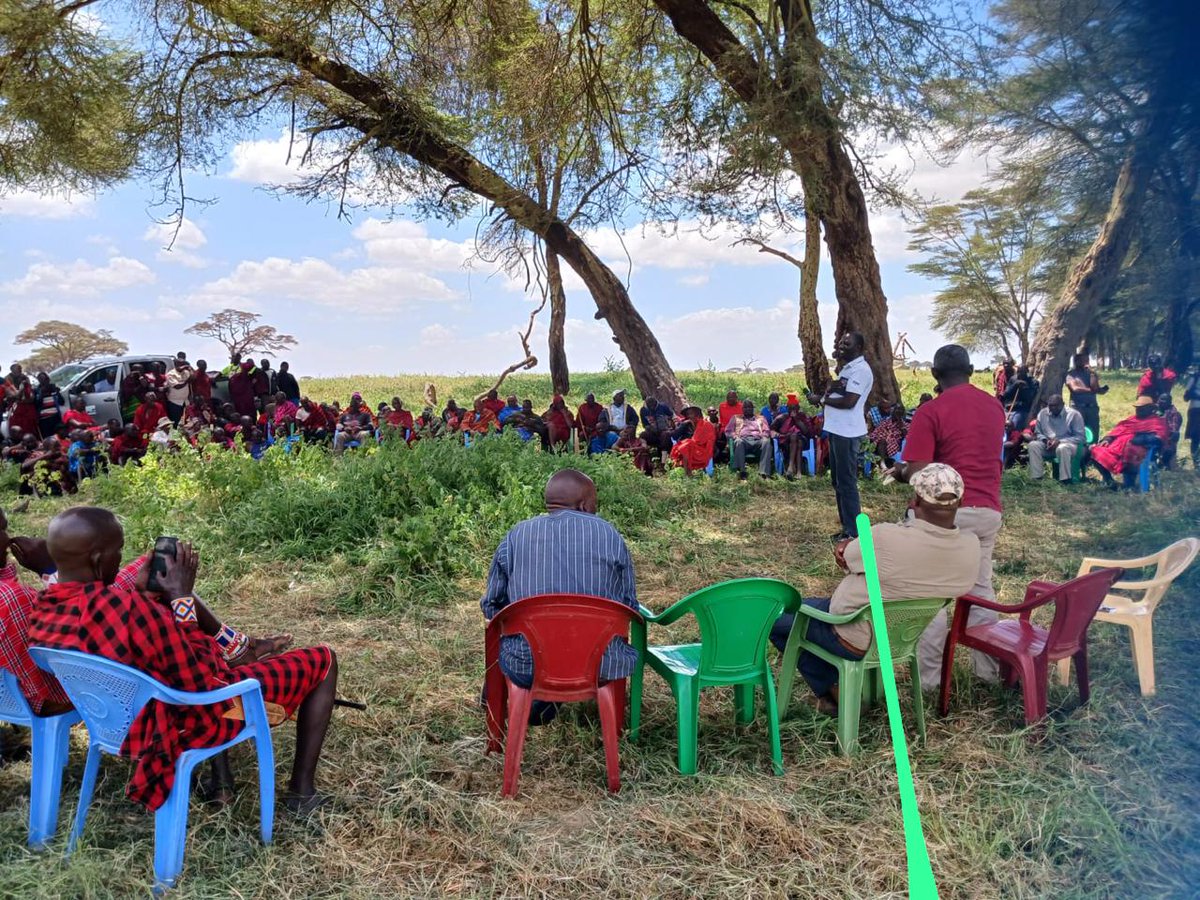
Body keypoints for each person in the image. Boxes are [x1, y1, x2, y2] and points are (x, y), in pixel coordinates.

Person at [27, 507, 337, 813]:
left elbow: (129, 641)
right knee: (323, 660)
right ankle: (301, 793)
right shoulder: (128, 610)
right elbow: (202, 677)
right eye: (118, 551)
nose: (121, 559)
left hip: (115, 721)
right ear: (98, 558)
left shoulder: (44, 609)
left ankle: (225, 780)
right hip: (186, 719)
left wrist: (143, 596)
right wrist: (181, 599)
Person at [769, 465, 980, 713]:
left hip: (851, 632)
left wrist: (847, 547)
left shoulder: (885, 538)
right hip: (902, 639)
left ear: (915, 501)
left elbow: (846, 557)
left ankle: (837, 693)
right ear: (961, 501)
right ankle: (840, 692)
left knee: (775, 617)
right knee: (809, 605)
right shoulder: (971, 548)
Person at [480, 470, 638, 725]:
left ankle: (519, 698)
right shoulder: (610, 535)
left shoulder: (516, 535)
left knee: (514, 636)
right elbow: (628, 605)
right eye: (595, 505)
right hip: (602, 663)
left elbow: (491, 606)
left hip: (526, 664)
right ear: (585, 504)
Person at [891, 344, 1005, 689]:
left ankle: (929, 683)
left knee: (930, 595)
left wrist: (900, 471)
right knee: (981, 590)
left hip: (944, 516)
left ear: (934, 375)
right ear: (971, 370)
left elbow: (922, 473)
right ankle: (989, 674)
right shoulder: (994, 407)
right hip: (987, 511)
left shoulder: (931, 411)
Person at [808, 332, 873, 539]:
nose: (842, 345)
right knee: (838, 481)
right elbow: (839, 391)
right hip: (837, 430)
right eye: (841, 342)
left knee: (847, 482)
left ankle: (853, 533)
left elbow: (849, 402)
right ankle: (846, 527)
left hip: (848, 432)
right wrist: (827, 391)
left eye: (847, 343)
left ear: (859, 347)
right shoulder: (847, 369)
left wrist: (822, 400)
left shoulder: (861, 371)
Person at [1090, 397, 1170, 489]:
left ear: (1150, 409)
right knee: (1095, 450)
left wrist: (1140, 439)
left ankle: (1129, 485)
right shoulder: (1132, 419)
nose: (1138, 410)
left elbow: (1159, 437)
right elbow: (1118, 430)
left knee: (1131, 451)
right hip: (1116, 448)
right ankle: (1109, 480)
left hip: (1140, 449)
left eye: (1142, 408)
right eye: (1137, 408)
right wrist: (1108, 439)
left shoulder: (1156, 421)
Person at [1026, 394, 1086, 482]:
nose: (1052, 408)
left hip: (1070, 446)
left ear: (1062, 404)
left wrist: (1060, 441)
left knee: (1062, 448)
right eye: (1050, 405)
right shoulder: (1043, 414)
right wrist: (1045, 440)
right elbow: (1038, 433)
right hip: (1049, 446)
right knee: (1033, 445)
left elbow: (1081, 438)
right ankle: (1037, 477)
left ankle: (1065, 479)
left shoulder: (1074, 415)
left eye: (1055, 405)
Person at [726, 399, 775, 479]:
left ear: (753, 408)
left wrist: (764, 436)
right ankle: (742, 472)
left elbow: (766, 430)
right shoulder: (736, 418)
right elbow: (728, 431)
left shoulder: (761, 418)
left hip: (758, 440)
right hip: (743, 440)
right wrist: (735, 436)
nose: (747, 409)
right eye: (745, 407)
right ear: (742, 409)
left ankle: (764, 472)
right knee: (738, 441)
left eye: (749, 407)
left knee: (766, 441)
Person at [1065, 352, 1108, 439]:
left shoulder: (1091, 374)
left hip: (1092, 407)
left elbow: (1094, 387)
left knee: (1093, 432)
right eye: (1082, 360)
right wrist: (1091, 390)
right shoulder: (1071, 374)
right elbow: (1075, 389)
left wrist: (1092, 373)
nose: (1085, 362)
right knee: (1077, 432)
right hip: (1078, 407)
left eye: (1086, 360)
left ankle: (1092, 450)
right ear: (1076, 361)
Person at [772, 395, 814, 478]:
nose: (792, 410)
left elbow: (807, 432)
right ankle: (798, 472)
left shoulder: (803, 416)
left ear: (798, 408)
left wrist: (796, 420)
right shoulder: (782, 417)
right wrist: (777, 434)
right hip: (786, 441)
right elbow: (772, 429)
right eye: (790, 408)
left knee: (796, 437)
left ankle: (791, 467)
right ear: (787, 408)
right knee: (797, 441)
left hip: (803, 440)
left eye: (794, 408)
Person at [669, 406, 715, 475]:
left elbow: (710, 439)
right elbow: (675, 436)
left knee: (688, 444)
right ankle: (687, 473)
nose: (690, 416)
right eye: (688, 414)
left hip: (702, 449)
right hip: (687, 450)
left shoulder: (705, 424)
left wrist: (693, 443)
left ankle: (690, 473)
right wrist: (682, 425)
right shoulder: (685, 424)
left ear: (698, 414)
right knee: (686, 446)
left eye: (692, 413)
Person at [3, 365, 39, 436]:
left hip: (28, 407)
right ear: (12, 370)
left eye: (20, 369)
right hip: (15, 409)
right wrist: (21, 389)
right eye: (18, 369)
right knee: (18, 429)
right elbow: (11, 396)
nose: (20, 370)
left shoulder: (25, 377)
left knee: (31, 427)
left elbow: (30, 394)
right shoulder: (7, 380)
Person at [868, 403, 907, 468]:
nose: (898, 412)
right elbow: (877, 431)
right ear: (893, 411)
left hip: (894, 444)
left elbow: (907, 437)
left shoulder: (903, 424)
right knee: (882, 441)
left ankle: (889, 462)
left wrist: (901, 425)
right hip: (881, 441)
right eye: (896, 410)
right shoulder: (886, 421)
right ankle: (882, 462)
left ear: (902, 413)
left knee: (887, 443)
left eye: (900, 411)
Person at [1001, 364, 1039, 430]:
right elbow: (1006, 394)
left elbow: (1030, 398)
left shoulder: (1033, 382)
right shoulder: (1013, 379)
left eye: (1022, 372)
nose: (1019, 374)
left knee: (1014, 425)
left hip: (1021, 409)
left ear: (1026, 372)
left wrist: (1025, 388)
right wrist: (1014, 385)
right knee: (1000, 424)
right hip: (1008, 408)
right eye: (1018, 372)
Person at [33, 372, 65, 438]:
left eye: (46, 379)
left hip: (56, 417)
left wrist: (57, 392)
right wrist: (41, 393)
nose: (45, 382)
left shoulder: (53, 388)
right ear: (39, 381)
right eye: (42, 380)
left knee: (60, 437)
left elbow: (62, 402)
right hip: (44, 420)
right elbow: (36, 405)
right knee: (49, 439)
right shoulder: (36, 391)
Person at [163, 358, 193, 424]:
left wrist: (190, 370)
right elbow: (177, 386)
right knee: (175, 422)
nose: (184, 366)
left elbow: (192, 379)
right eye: (181, 364)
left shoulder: (186, 372)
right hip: (175, 402)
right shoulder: (171, 374)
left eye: (184, 364)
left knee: (186, 421)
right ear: (176, 364)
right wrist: (187, 381)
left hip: (186, 401)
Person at [1157, 393, 1183, 469]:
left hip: (1167, 438)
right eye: (1160, 399)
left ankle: (1164, 463)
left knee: (1172, 439)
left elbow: (1173, 429)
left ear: (1169, 402)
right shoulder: (1156, 410)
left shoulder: (1174, 413)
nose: (1161, 402)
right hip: (1156, 435)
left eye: (1164, 400)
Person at [1184, 364, 1200, 469]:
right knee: (1195, 438)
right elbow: (1186, 396)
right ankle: (1196, 463)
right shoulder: (1195, 378)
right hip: (1195, 410)